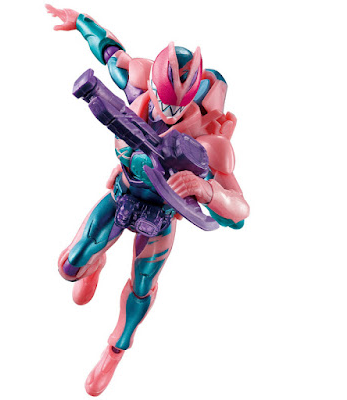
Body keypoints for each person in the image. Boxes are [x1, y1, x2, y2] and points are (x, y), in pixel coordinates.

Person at [47, 5, 250, 396]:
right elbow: (111, 53)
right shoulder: (136, 90)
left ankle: (115, 349)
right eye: (163, 103)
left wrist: (207, 190)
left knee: (142, 286)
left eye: (178, 108)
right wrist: (81, 22)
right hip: (123, 194)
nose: (167, 114)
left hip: (160, 217)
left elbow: (240, 213)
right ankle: (96, 262)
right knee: (68, 268)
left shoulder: (208, 144)